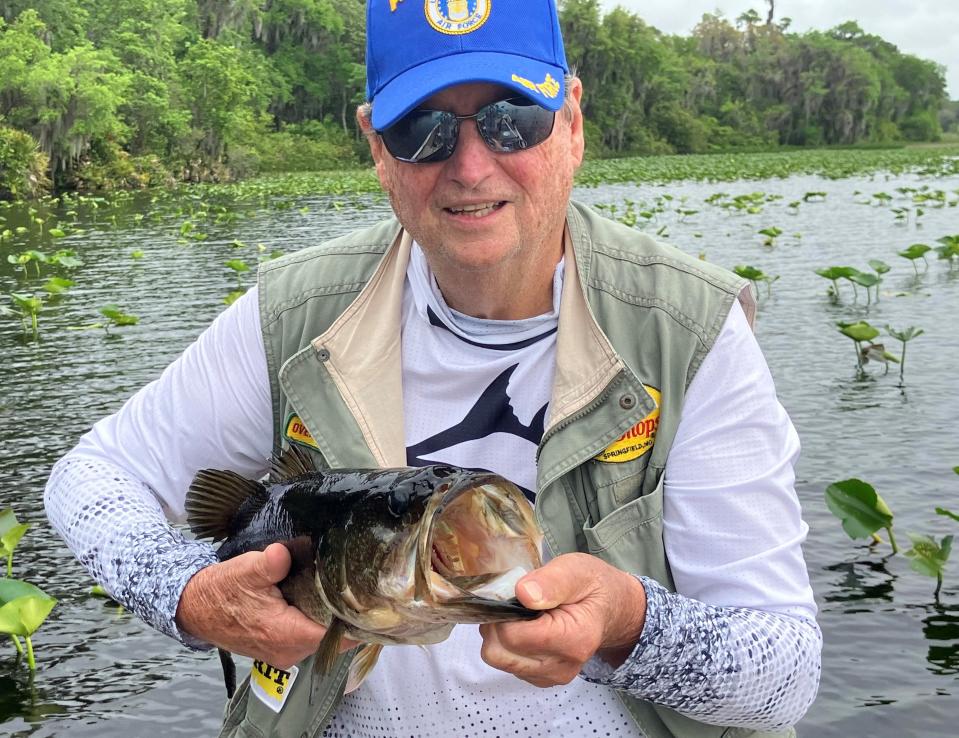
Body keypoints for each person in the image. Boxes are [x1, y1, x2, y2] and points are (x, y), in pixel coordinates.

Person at [44, 1, 822, 736]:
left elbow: (782, 673)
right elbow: (89, 479)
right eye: (423, 130)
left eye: (511, 119)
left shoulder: (689, 330)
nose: (471, 165)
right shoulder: (293, 312)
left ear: (573, 122)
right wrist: (184, 591)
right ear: (376, 147)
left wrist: (627, 623)